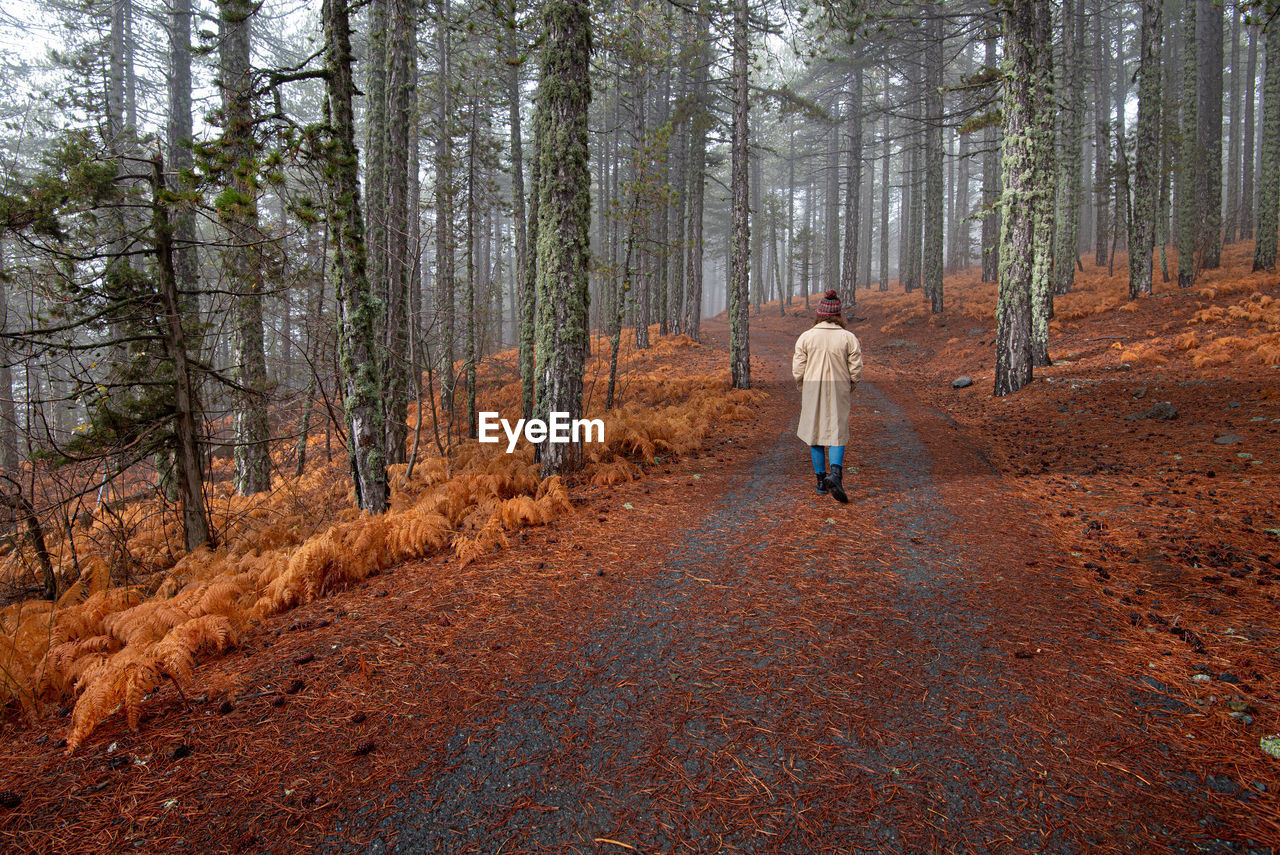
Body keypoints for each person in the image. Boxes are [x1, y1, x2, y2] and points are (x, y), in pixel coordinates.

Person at [791, 289, 863, 503]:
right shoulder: (848, 338)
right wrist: (849, 386)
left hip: (813, 387)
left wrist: (803, 386)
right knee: (837, 433)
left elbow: (798, 369)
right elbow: (856, 369)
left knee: (814, 433)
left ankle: (821, 482)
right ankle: (836, 475)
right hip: (839, 387)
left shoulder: (806, 336)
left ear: (820, 313)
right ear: (838, 314)